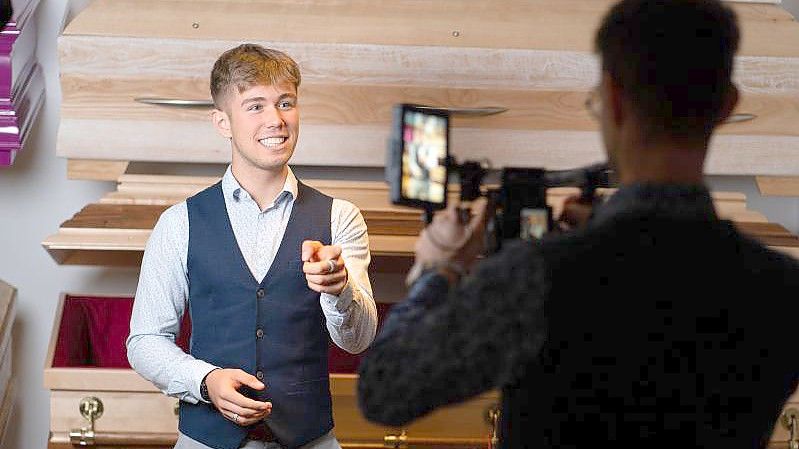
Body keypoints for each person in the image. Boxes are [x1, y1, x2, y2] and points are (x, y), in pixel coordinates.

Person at [357, 1, 799, 448]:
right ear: (727, 105)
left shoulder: (537, 277)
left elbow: (385, 390)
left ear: (612, 98)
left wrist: (440, 270)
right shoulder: (783, 288)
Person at [127, 44, 378, 449]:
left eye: (285, 103)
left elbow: (357, 340)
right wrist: (205, 381)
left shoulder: (340, 217)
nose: (276, 120)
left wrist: (340, 288)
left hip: (310, 439)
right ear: (222, 122)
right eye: (255, 106)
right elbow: (145, 340)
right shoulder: (178, 223)